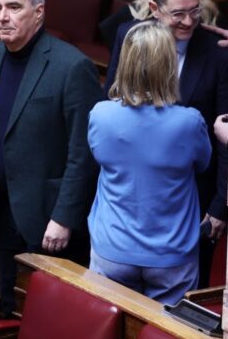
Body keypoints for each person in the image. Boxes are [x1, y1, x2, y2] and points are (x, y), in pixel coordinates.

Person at [0, 0, 102, 317]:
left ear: (39, 12)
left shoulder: (72, 66)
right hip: (4, 208)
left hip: (48, 220)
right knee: (8, 306)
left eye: (14, 7)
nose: (3, 17)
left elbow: (83, 153)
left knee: (51, 316)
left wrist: (64, 217)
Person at [103, 0, 228, 287]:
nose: (188, 21)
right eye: (178, 14)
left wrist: (219, 206)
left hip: (193, 202)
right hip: (131, 199)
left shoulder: (217, 53)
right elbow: (113, 100)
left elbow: (225, 131)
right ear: (154, 9)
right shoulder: (131, 37)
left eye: (195, 11)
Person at [88, 21, 211, 304]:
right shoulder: (189, 122)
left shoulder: (100, 115)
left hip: (113, 247)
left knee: (106, 326)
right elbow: (202, 163)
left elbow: (98, 156)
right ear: (169, 66)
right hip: (171, 254)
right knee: (165, 331)